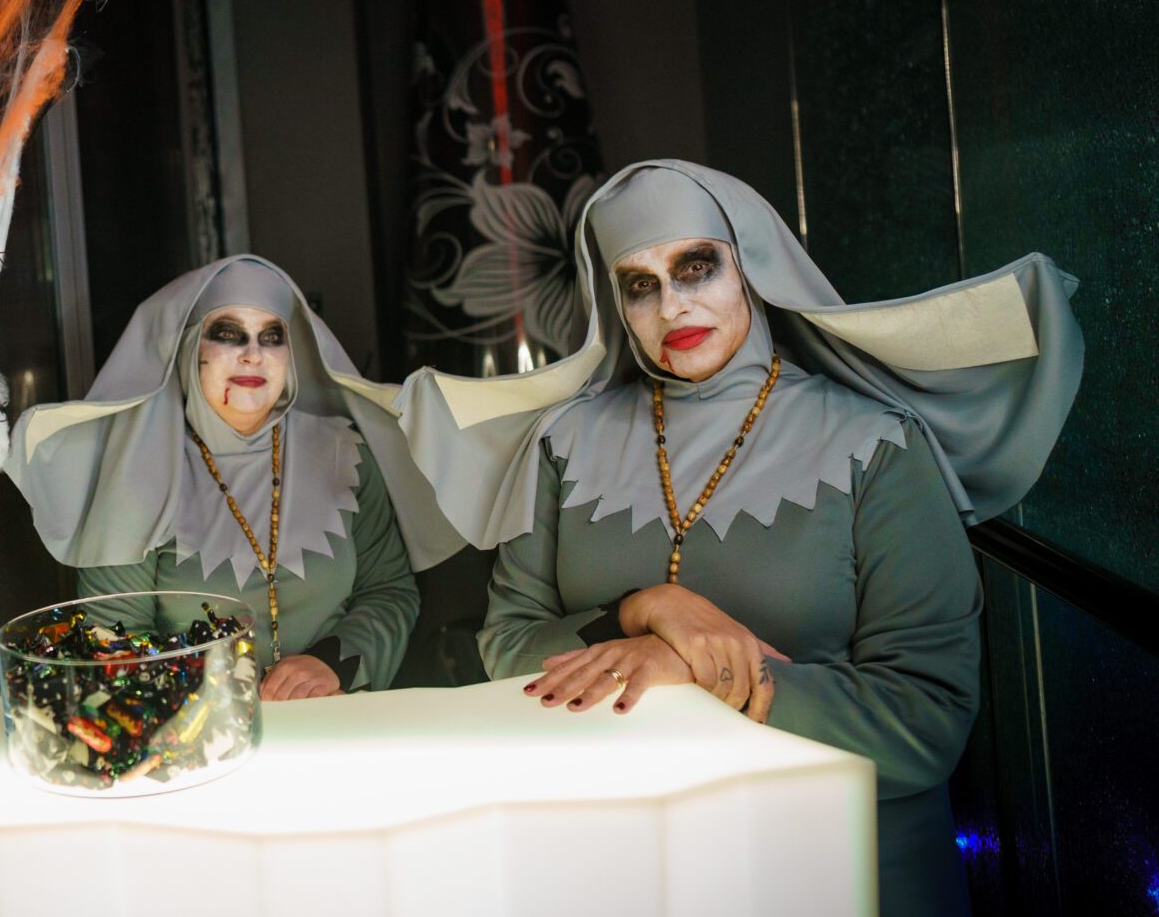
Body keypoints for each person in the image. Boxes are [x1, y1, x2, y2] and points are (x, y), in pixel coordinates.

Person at [395, 161, 1082, 917]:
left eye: (697, 267)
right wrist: (641, 610)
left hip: (841, 868)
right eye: (640, 284)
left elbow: (925, 719)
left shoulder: (877, 444)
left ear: (751, 265)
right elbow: (508, 646)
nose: (672, 305)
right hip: (624, 866)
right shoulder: (566, 442)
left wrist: (692, 671)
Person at [7, 255, 457, 699]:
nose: (253, 355)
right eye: (228, 335)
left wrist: (331, 664)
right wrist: (227, 699)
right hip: (194, 728)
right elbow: (115, 634)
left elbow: (388, 592)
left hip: (330, 715)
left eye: (272, 337)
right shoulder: (135, 471)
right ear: (190, 350)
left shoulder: (346, 455)